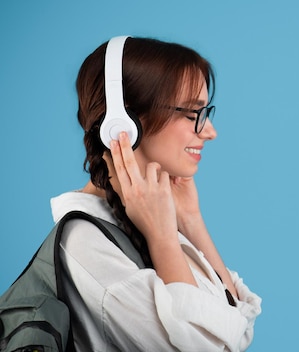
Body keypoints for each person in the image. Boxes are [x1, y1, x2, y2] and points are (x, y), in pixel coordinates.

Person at [50, 36, 261, 351]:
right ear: (123, 123)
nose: (209, 131)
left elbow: (238, 327)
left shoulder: (150, 215)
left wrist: (190, 219)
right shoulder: (85, 243)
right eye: (193, 114)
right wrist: (163, 238)